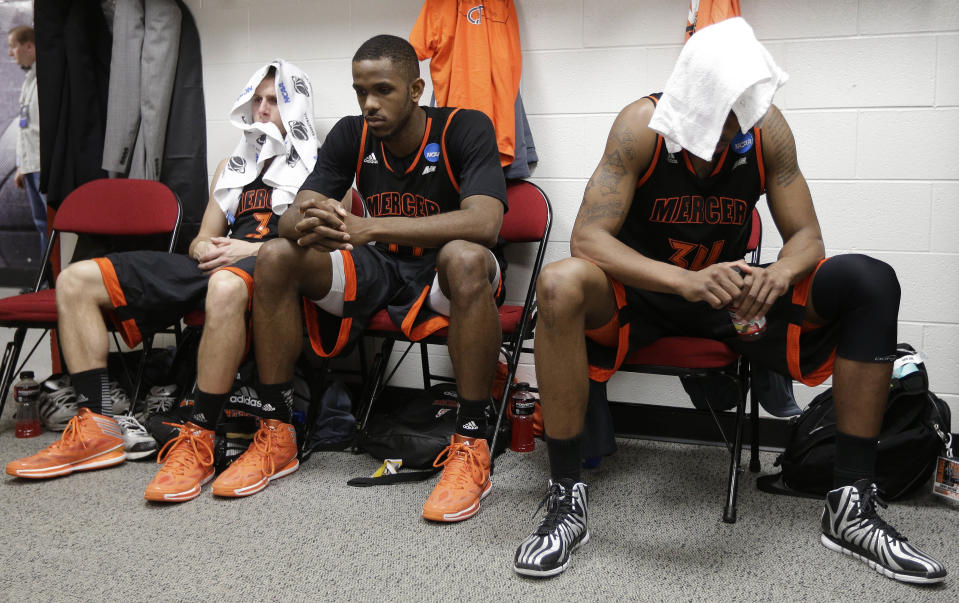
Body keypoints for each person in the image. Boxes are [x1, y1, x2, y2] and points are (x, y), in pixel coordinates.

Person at [512, 18, 947, 584]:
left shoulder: (766, 130)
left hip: (728, 296)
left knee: (870, 279)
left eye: (739, 110)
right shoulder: (641, 125)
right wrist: (681, 280)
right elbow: (588, 239)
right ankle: (565, 498)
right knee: (559, 281)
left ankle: (851, 505)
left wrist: (782, 272)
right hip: (641, 294)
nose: (729, 128)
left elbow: (808, 237)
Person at [6, 61, 321, 504]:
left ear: (298, 107)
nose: (264, 109)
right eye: (258, 99)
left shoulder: (319, 166)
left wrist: (248, 251)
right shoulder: (231, 166)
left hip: (269, 270)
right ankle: (97, 426)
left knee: (227, 285)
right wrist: (204, 248)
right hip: (219, 262)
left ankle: (200, 436)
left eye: (276, 100)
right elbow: (200, 238)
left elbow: (321, 245)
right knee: (76, 278)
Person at [251, 34, 507, 523]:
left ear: (415, 90)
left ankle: (472, 442)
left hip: (444, 279)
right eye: (360, 91)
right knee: (277, 254)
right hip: (381, 269)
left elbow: (485, 223)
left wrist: (371, 226)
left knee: (466, 256)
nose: (369, 104)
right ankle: (277, 427)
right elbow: (290, 215)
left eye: (383, 90)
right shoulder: (352, 134)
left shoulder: (464, 127)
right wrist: (310, 221)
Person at [7, 25, 47, 256]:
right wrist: (22, 165)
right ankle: (45, 283)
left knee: (53, 227)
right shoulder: (29, 80)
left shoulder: (45, 81)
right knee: (42, 225)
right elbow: (28, 129)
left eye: (13, 46)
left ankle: (54, 285)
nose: (11, 53)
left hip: (43, 168)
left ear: (29, 46)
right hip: (31, 167)